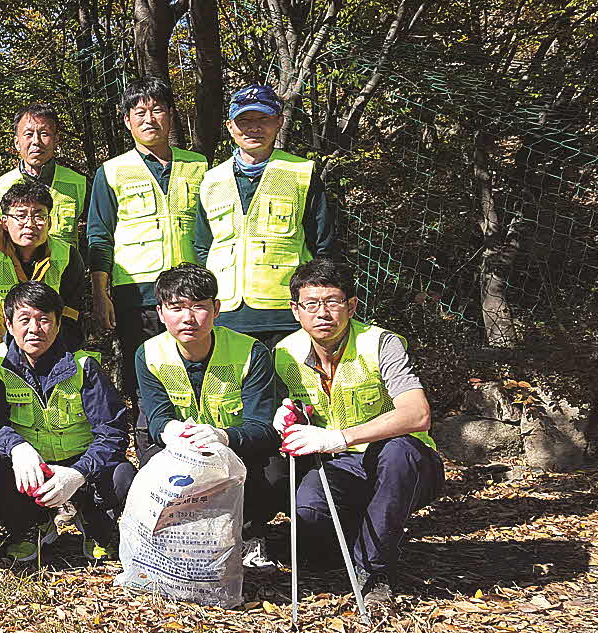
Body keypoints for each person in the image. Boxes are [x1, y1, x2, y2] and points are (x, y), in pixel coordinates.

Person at [270, 258, 441, 607]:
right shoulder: (283, 353)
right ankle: (364, 539)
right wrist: (287, 414)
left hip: (402, 464)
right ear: (295, 310)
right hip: (338, 469)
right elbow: (289, 411)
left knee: (400, 452)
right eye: (311, 304)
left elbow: (417, 413)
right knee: (309, 519)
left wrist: (341, 438)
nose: (323, 314)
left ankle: (376, 572)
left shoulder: (381, 344)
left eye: (333, 302)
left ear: (351, 306)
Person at [85, 76, 209, 457]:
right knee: (147, 378)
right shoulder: (112, 171)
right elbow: (99, 235)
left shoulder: (200, 165)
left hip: (192, 293)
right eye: (140, 112)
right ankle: (151, 457)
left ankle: (204, 456)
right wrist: (100, 294)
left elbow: (212, 227)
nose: (149, 118)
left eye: (157, 109)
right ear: (126, 120)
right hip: (135, 293)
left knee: (199, 376)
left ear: (171, 116)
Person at [135, 263, 281, 565]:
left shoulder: (251, 352)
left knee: (275, 473)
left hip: (238, 454)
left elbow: (263, 427)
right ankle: (178, 536)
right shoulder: (148, 354)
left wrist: (223, 436)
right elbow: (156, 415)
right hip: (181, 454)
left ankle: (249, 532)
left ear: (216, 308)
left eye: (199, 307)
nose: (188, 318)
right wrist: (170, 430)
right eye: (176, 308)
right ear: (161, 313)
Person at [0, 282, 132, 562]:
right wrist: (17, 448)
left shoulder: (83, 365)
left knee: (121, 474)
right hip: (31, 465)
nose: (34, 329)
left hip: (81, 465)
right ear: (9, 325)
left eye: (44, 320)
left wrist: (79, 473)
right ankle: (30, 528)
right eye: (24, 320)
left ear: (58, 325)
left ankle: (97, 526)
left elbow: (113, 432)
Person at [194, 84, 337, 347]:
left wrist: (317, 304)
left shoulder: (301, 173)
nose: (254, 128)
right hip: (226, 314)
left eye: (264, 119)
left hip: (287, 312)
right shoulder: (211, 180)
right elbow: (203, 246)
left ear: (279, 122)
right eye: (244, 121)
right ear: (229, 126)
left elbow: (322, 245)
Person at [0, 180, 86, 354]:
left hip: (55, 348)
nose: (30, 224)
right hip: (5, 349)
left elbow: (70, 316)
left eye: (39, 216)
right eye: (21, 216)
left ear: (49, 222)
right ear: (5, 222)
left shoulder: (68, 256)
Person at [0, 104, 88, 249]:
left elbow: (99, 235)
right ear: (17, 142)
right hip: (11, 271)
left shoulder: (78, 184)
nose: (36, 141)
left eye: (44, 134)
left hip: (65, 271)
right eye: (28, 134)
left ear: (56, 140)